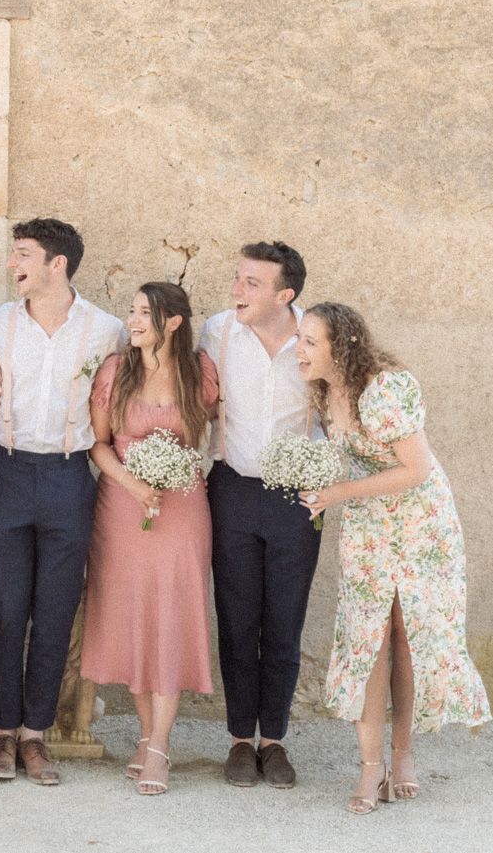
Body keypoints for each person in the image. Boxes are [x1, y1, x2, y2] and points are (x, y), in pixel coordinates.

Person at [295, 303, 490, 814]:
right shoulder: (322, 393)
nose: (300, 350)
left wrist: (338, 492)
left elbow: (417, 469)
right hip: (368, 526)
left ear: (341, 345)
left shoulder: (385, 388)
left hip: (421, 523)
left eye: (310, 341)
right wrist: (318, 487)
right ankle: (369, 767)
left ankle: (403, 755)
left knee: (409, 637)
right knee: (368, 641)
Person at [0, 218, 124, 785]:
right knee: (5, 607)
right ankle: (0, 732)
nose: (13, 265)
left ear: (55, 264)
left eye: (22, 255)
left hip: (70, 477)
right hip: (7, 473)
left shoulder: (106, 330)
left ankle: (36, 734)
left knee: (56, 610)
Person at [83, 282, 220, 795]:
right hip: (121, 508)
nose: (133, 320)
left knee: (171, 616)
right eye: (133, 311)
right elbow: (97, 445)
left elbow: (219, 429)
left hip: (183, 510)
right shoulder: (115, 373)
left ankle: (160, 745)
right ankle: (147, 734)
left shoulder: (199, 374)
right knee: (137, 619)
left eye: (145, 312)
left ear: (173, 323)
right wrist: (133, 482)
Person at [196, 242, 317, 789]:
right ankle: (241, 740)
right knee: (238, 620)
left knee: (285, 623)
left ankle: (277, 741)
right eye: (237, 279)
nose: (236, 291)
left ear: (284, 294)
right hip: (233, 489)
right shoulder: (217, 332)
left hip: (297, 497)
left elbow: (338, 406)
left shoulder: (315, 337)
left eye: (251, 283)